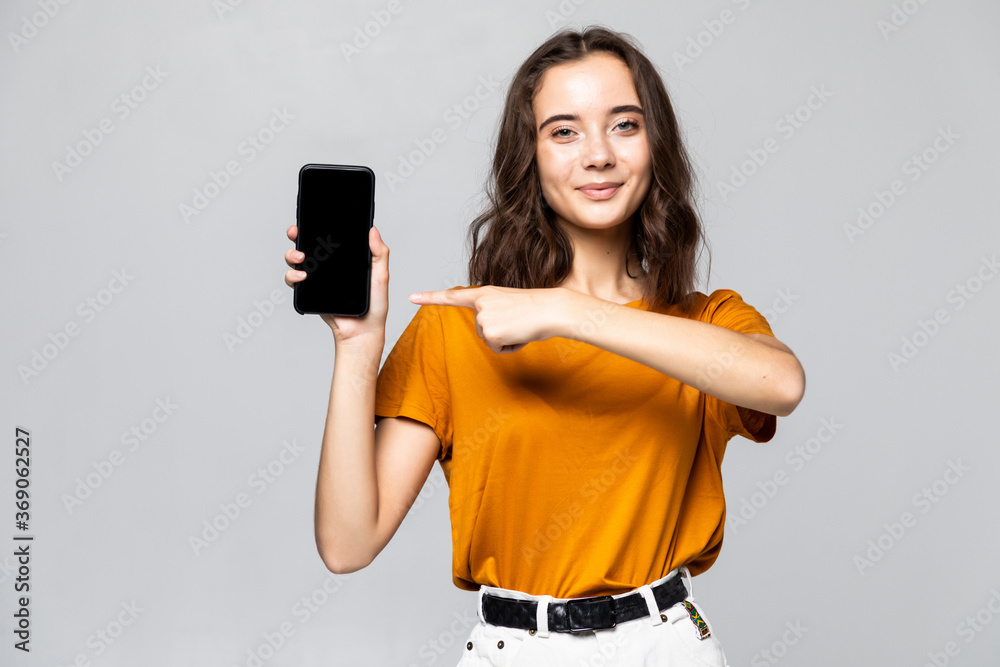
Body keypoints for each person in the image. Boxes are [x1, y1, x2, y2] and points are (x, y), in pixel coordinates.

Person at [284, 25, 805, 667]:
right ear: (528, 156)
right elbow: (346, 544)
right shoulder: (458, 326)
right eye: (564, 131)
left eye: (624, 125)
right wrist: (357, 346)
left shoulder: (702, 322)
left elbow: (781, 385)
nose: (597, 155)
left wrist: (567, 310)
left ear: (655, 145)